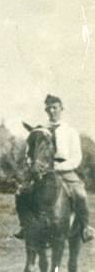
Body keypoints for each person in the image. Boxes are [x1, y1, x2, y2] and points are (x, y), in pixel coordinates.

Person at [15, 94, 93, 242]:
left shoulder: (70, 131)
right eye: (49, 108)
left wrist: (59, 166)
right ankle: (24, 225)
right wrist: (33, 164)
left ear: (61, 108)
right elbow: (29, 151)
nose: (52, 111)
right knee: (21, 191)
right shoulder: (40, 131)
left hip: (64, 170)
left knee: (80, 193)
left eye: (55, 107)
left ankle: (85, 227)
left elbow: (76, 158)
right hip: (42, 170)